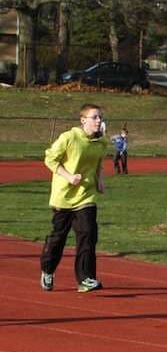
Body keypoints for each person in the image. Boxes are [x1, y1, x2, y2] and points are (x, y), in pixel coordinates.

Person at [40, 103, 109, 293]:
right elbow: (50, 159)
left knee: (88, 234)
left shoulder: (102, 142)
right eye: (94, 117)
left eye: (100, 117)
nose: (98, 121)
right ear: (83, 120)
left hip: (86, 195)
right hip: (64, 196)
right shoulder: (69, 137)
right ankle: (47, 269)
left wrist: (100, 181)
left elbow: (100, 164)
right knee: (58, 238)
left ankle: (85, 278)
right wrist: (69, 176)